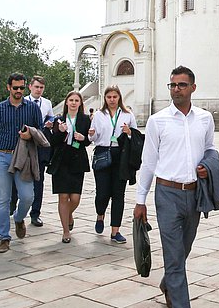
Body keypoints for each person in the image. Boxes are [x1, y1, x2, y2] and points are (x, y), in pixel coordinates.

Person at [134, 65, 216, 308]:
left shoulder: (205, 119)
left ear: (193, 87)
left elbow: (210, 150)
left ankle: (168, 284)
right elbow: (148, 162)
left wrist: (207, 167)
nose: (176, 89)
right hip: (166, 193)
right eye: (172, 85)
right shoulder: (158, 121)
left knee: (184, 251)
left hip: (194, 195)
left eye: (182, 85)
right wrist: (139, 199)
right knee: (174, 257)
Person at [0, 73, 43, 253]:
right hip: (3, 155)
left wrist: (30, 134)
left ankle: (18, 218)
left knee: (27, 197)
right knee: (3, 199)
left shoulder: (32, 108)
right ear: (8, 87)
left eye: (21, 88)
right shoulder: (0, 108)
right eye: (15, 87)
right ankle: (4, 237)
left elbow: (40, 131)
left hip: (24, 158)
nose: (18, 91)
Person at [88, 85, 137, 243]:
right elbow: (93, 139)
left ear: (119, 98)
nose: (112, 100)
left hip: (121, 155)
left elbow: (136, 137)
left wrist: (129, 133)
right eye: (109, 97)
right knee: (102, 193)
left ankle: (115, 230)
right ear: (105, 98)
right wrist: (91, 135)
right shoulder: (99, 115)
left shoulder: (127, 114)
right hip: (103, 152)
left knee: (118, 194)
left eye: (115, 97)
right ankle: (100, 214)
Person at [48, 91, 91, 243]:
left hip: (77, 160)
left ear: (80, 103)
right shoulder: (59, 120)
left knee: (75, 197)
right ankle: (66, 231)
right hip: (61, 160)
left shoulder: (85, 119)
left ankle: (69, 214)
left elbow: (88, 140)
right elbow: (53, 141)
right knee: (63, 196)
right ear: (66, 102)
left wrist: (84, 138)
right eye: (71, 100)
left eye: (76, 100)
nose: (73, 103)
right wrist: (59, 132)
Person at [23, 75, 54, 227]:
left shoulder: (46, 103)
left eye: (41, 87)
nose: (39, 90)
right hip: (24, 144)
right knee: (20, 178)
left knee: (39, 179)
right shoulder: (23, 102)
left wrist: (50, 123)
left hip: (39, 144)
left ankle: (35, 213)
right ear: (30, 87)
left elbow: (52, 118)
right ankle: (16, 208)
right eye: (36, 87)